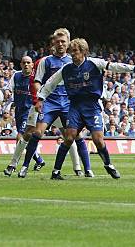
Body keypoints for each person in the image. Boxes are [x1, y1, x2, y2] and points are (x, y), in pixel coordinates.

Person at [38, 38, 135, 180]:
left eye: (75, 51)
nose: (72, 54)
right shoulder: (66, 69)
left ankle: (108, 165)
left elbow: (115, 66)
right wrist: (41, 98)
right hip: (75, 106)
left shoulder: (94, 63)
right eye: (71, 51)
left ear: (84, 52)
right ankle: (56, 171)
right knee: (68, 138)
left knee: (98, 140)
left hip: (92, 106)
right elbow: (50, 83)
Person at [11, 29, 88, 178]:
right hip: (47, 104)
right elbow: (35, 82)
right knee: (31, 133)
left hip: (66, 105)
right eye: (57, 41)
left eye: (63, 42)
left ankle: (79, 168)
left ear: (68, 43)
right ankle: (15, 164)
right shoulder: (44, 61)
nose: (60, 44)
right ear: (53, 42)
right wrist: (40, 99)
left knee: (72, 135)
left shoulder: (74, 61)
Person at [3, 56, 45, 176]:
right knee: (26, 138)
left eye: (28, 63)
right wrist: (7, 92)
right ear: (20, 64)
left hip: (30, 110)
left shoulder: (36, 78)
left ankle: (13, 165)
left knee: (21, 136)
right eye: (24, 63)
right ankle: (39, 160)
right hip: (19, 110)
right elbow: (9, 88)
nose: (26, 65)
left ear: (32, 65)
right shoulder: (16, 76)